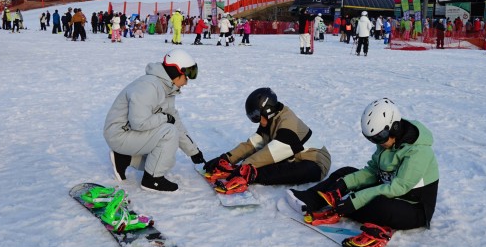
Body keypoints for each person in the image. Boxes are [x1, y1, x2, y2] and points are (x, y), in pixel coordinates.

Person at [286, 98, 439, 247]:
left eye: (379, 137)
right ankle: (312, 199)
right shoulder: (388, 142)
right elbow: (373, 171)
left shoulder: (418, 152)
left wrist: (356, 199)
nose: (378, 143)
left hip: (412, 208)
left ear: (395, 128)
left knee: (377, 205)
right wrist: (344, 183)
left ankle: (345, 208)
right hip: (387, 191)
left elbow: (398, 188)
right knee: (345, 173)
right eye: (372, 139)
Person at [103, 49, 206, 192]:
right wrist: (165, 118)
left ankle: (124, 159)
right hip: (119, 134)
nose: (187, 82)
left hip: (129, 132)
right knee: (168, 133)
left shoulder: (166, 88)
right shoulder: (148, 87)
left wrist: (194, 152)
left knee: (165, 160)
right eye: (186, 77)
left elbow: (175, 121)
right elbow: (139, 122)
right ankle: (152, 180)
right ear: (176, 72)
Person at [202, 87, 332, 193]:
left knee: (270, 171)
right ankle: (246, 173)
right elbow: (253, 144)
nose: (257, 120)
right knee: (261, 163)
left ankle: (248, 175)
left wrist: (245, 167)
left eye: (257, 116)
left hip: (315, 163)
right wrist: (227, 158)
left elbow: (273, 151)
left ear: (268, 110)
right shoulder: (270, 119)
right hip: (294, 156)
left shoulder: (288, 123)